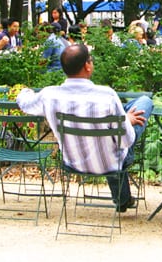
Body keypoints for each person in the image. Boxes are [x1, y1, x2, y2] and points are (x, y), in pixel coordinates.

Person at [16, 44, 153, 211]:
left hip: (73, 162)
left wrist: (24, 92)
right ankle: (122, 199)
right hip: (110, 163)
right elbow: (126, 141)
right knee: (145, 102)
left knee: (108, 138)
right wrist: (127, 121)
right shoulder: (107, 95)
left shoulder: (49, 95)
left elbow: (25, 104)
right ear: (87, 66)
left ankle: (123, 200)